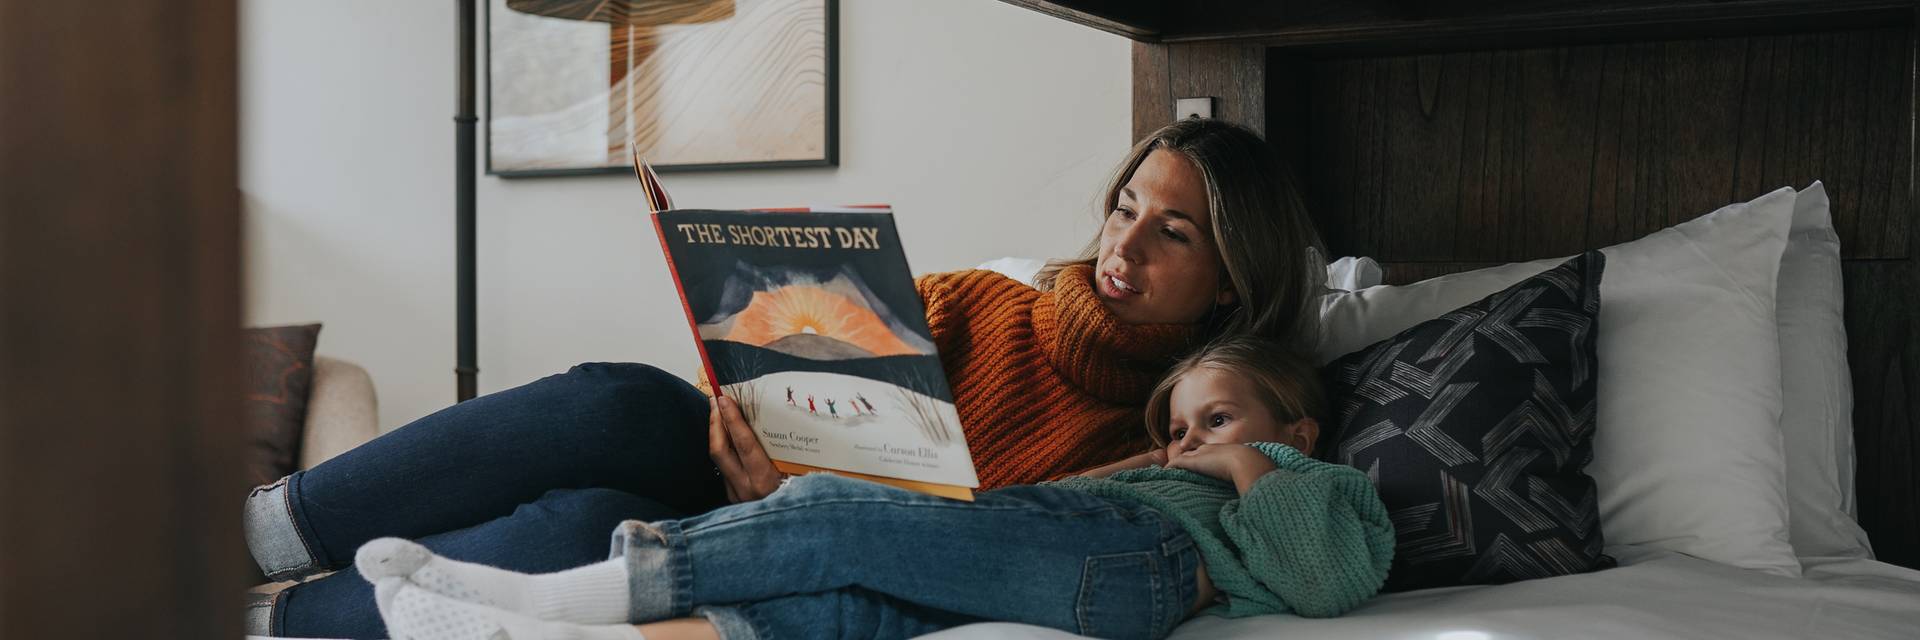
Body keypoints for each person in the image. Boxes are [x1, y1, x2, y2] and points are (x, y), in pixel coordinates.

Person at [241, 119, 1328, 638]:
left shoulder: (1180, 434)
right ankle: (250, 538)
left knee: (585, 527)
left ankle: (255, 623)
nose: (1124, 249)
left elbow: (978, 550)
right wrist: (748, 406)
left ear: (1232, 283)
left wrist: (798, 500)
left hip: (807, 534)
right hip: (746, 479)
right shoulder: (973, 301)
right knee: (615, 400)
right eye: (1126, 205)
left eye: (1172, 232)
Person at [357, 337, 1392, 640]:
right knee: (844, 609)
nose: (1189, 444)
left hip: (1143, 569)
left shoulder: (1319, 482)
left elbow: (1324, 579)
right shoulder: (1156, 475)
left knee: (823, 518)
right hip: (1064, 542)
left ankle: (547, 595)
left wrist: (1246, 459)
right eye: (1175, 428)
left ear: (1299, 425)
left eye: (1217, 417)